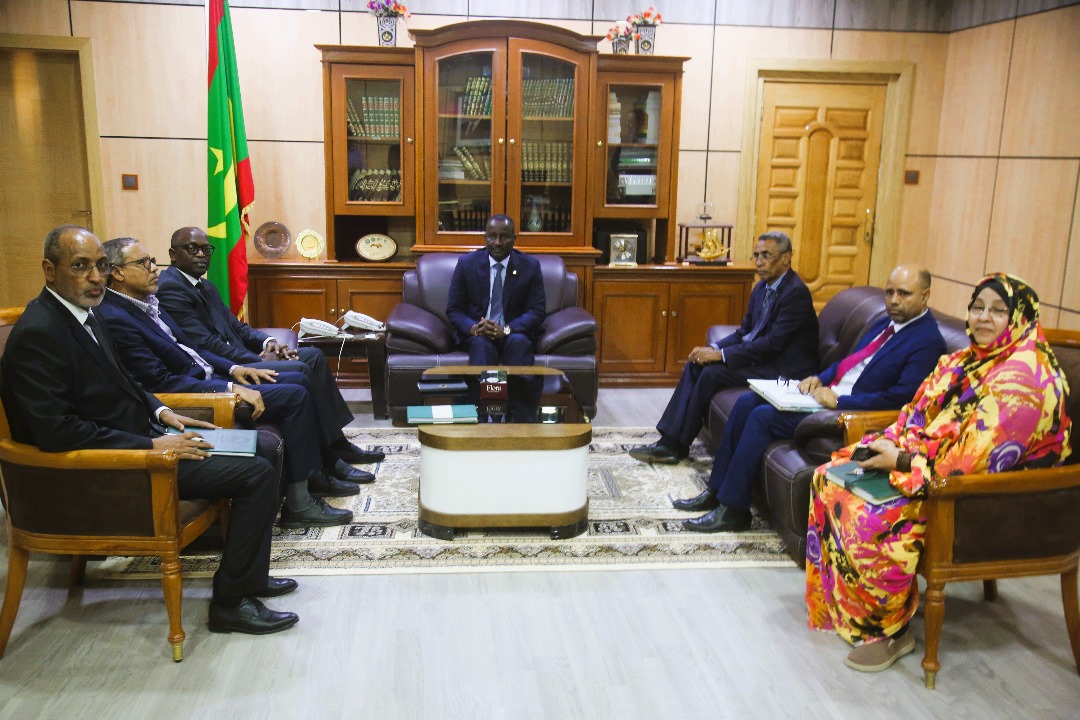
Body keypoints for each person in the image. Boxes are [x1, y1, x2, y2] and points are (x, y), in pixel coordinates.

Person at [0, 225, 300, 635]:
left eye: (100, 266)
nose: (95, 277)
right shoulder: (40, 333)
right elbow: (57, 432)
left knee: (261, 447)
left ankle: (250, 578)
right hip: (110, 470)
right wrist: (152, 444)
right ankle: (231, 604)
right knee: (256, 473)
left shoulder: (85, 313)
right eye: (80, 266)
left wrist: (162, 412)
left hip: (138, 441)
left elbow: (124, 380)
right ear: (49, 270)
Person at [806, 273, 1071, 673]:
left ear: (1021, 318)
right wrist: (887, 442)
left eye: (999, 310)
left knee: (870, 513)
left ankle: (891, 631)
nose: (984, 317)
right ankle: (854, 607)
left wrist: (900, 461)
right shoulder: (964, 360)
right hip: (925, 465)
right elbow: (914, 414)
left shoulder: (1025, 382)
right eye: (978, 307)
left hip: (978, 498)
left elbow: (970, 463)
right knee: (829, 476)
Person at [97, 237, 361, 529]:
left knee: (300, 375)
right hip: (199, 395)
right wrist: (230, 385)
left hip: (213, 374)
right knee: (295, 393)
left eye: (151, 261)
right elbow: (161, 381)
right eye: (143, 263)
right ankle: (300, 502)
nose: (153, 268)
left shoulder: (149, 303)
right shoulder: (118, 317)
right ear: (117, 272)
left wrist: (235, 368)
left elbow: (194, 349)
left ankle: (325, 463)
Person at [678, 264, 946, 532]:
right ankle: (716, 491)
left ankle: (734, 510)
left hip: (846, 413)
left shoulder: (927, 342)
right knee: (746, 402)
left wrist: (839, 402)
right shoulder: (886, 323)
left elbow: (902, 400)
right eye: (889, 292)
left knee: (761, 417)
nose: (894, 300)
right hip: (825, 396)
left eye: (904, 293)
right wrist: (819, 378)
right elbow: (848, 362)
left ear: (925, 296)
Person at [156, 226, 383, 466]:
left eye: (206, 249)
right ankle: (332, 453)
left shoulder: (204, 285)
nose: (201, 255)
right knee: (300, 368)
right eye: (192, 248)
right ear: (173, 254)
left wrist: (269, 343)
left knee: (313, 356)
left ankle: (337, 443)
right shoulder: (171, 288)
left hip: (241, 357)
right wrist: (259, 360)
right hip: (227, 367)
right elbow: (206, 345)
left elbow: (237, 327)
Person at [629, 231, 819, 464]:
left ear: (786, 258)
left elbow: (772, 344)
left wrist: (721, 355)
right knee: (695, 365)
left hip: (784, 370)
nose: (759, 262)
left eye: (766, 255)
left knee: (712, 373)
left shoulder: (795, 293)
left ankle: (678, 445)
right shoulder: (761, 288)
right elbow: (745, 332)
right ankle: (669, 442)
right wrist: (712, 348)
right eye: (756, 255)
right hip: (764, 360)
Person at [445, 214, 547, 366]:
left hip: (512, 331)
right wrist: (474, 328)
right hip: (478, 334)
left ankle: (517, 383)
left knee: (519, 342)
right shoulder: (467, 264)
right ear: (485, 238)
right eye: (492, 237)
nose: (498, 243)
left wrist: (506, 329)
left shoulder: (530, 266)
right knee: (481, 345)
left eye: (504, 237)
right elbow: (454, 309)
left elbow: (536, 311)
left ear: (514, 239)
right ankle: (486, 383)